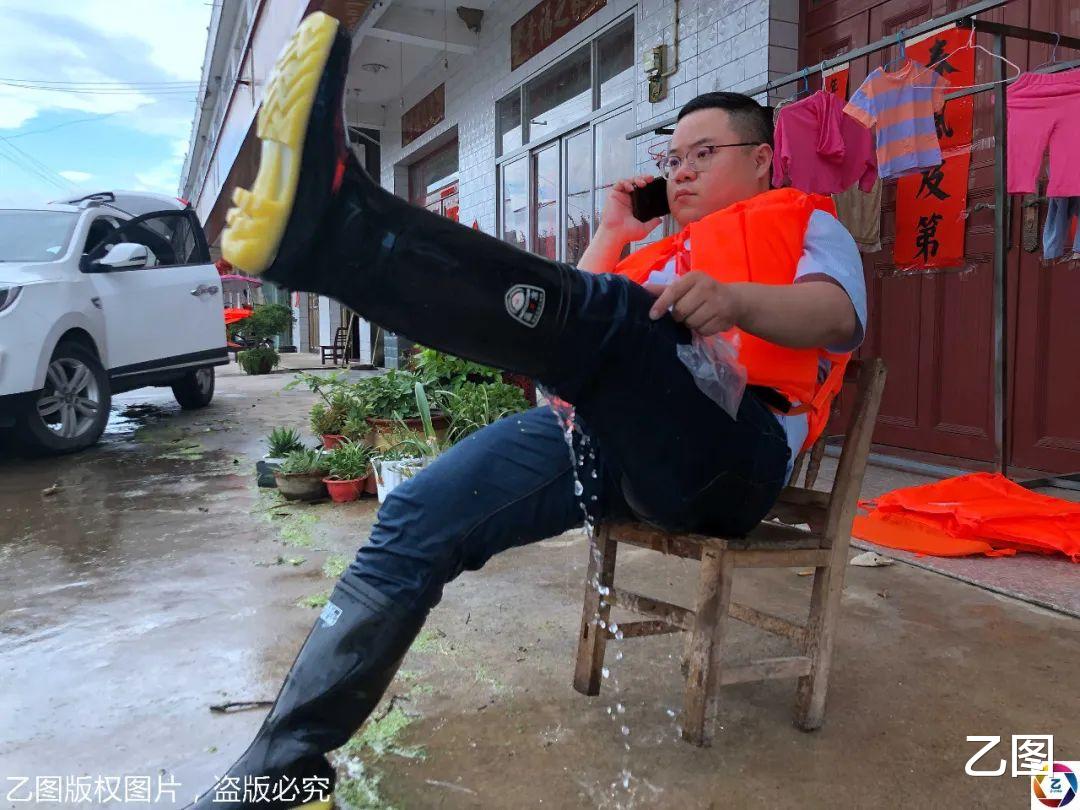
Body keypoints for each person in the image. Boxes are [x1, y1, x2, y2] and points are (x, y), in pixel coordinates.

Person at [186, 12, 865, 810]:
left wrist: (736, 299)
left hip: (728, 458)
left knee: (618, 319)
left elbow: (838, 318)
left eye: (702, 155)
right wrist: (614, 229)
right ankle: (284, 765)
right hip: (610, 442)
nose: (679, 173)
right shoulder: (648, 250)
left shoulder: (803, 221)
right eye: (670, 159)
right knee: (417, 515)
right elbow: (556, 346)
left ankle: (339, 233)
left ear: (761, 160)